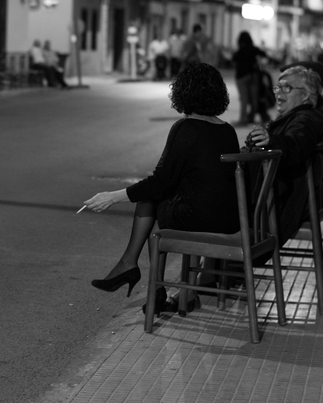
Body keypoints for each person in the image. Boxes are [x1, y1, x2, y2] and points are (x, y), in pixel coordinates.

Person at [82, 63, 240, 314]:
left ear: (182, 92)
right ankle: (156, 282)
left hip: (200, 220)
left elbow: (160, 182)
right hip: (231, 220)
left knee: (152, 198)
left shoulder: (185, 128)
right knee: (159, 196)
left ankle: (136, 271)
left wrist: (112, 197)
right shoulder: (227, 130)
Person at [245, 65, 323, 249]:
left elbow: (296, 144)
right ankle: (219, 273)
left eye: (287, 88)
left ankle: (217, 273)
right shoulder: (301, 116)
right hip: (279, 198)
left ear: (307, 95)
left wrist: (272, 141)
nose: (278, 93)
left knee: (215, 207)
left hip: (283, 203)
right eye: (277, 87)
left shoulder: (306, 119)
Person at [231, 31, 266, 125]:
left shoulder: (239, 51)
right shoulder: (254, 49)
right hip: (253, 76)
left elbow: (233, 62)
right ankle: (251, 117)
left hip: (241, 77)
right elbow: (264, 55)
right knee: (254, 98)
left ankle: (243, 119)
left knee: (244, 99)